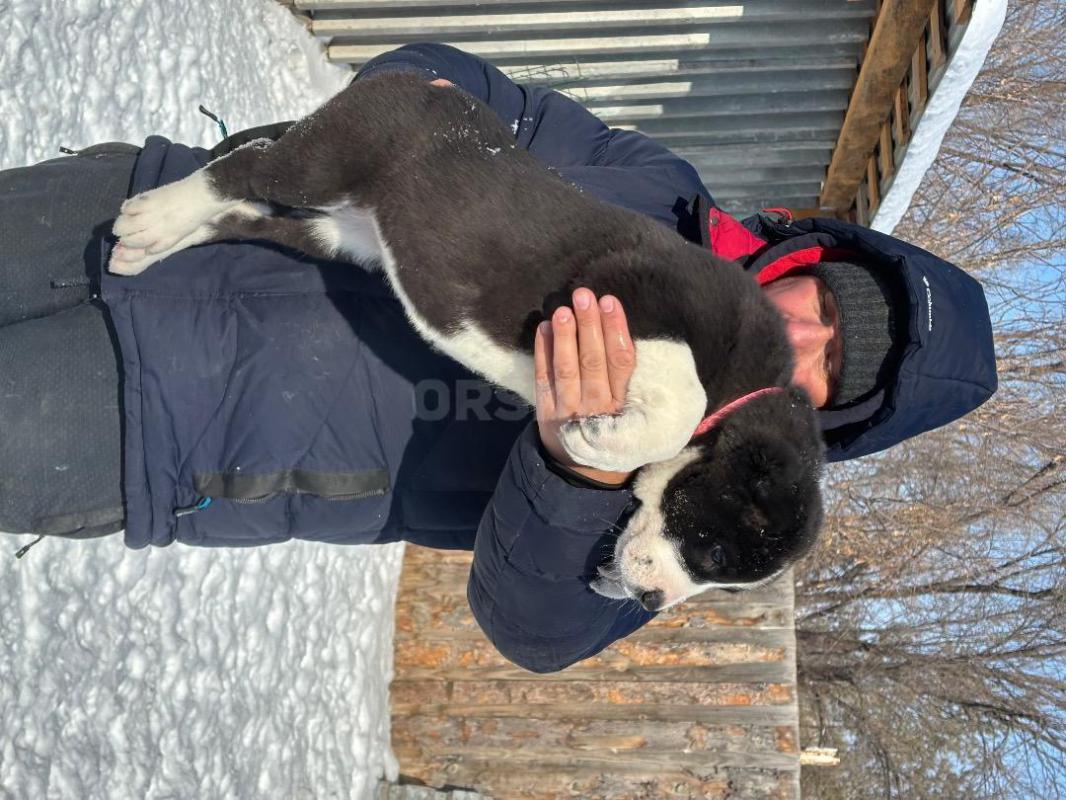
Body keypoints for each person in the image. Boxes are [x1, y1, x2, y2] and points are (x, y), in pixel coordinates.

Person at [0, 43, 996, 672]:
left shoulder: (680, 496)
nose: (806, 337)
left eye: (831, 374)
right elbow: (501, 104)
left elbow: (543, 630)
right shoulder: (661, 188)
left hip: (171, 422)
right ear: (811, 257)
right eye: (824, 304)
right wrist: (435, 84)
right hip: (159, 199)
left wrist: (578, 467)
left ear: (818, 427)